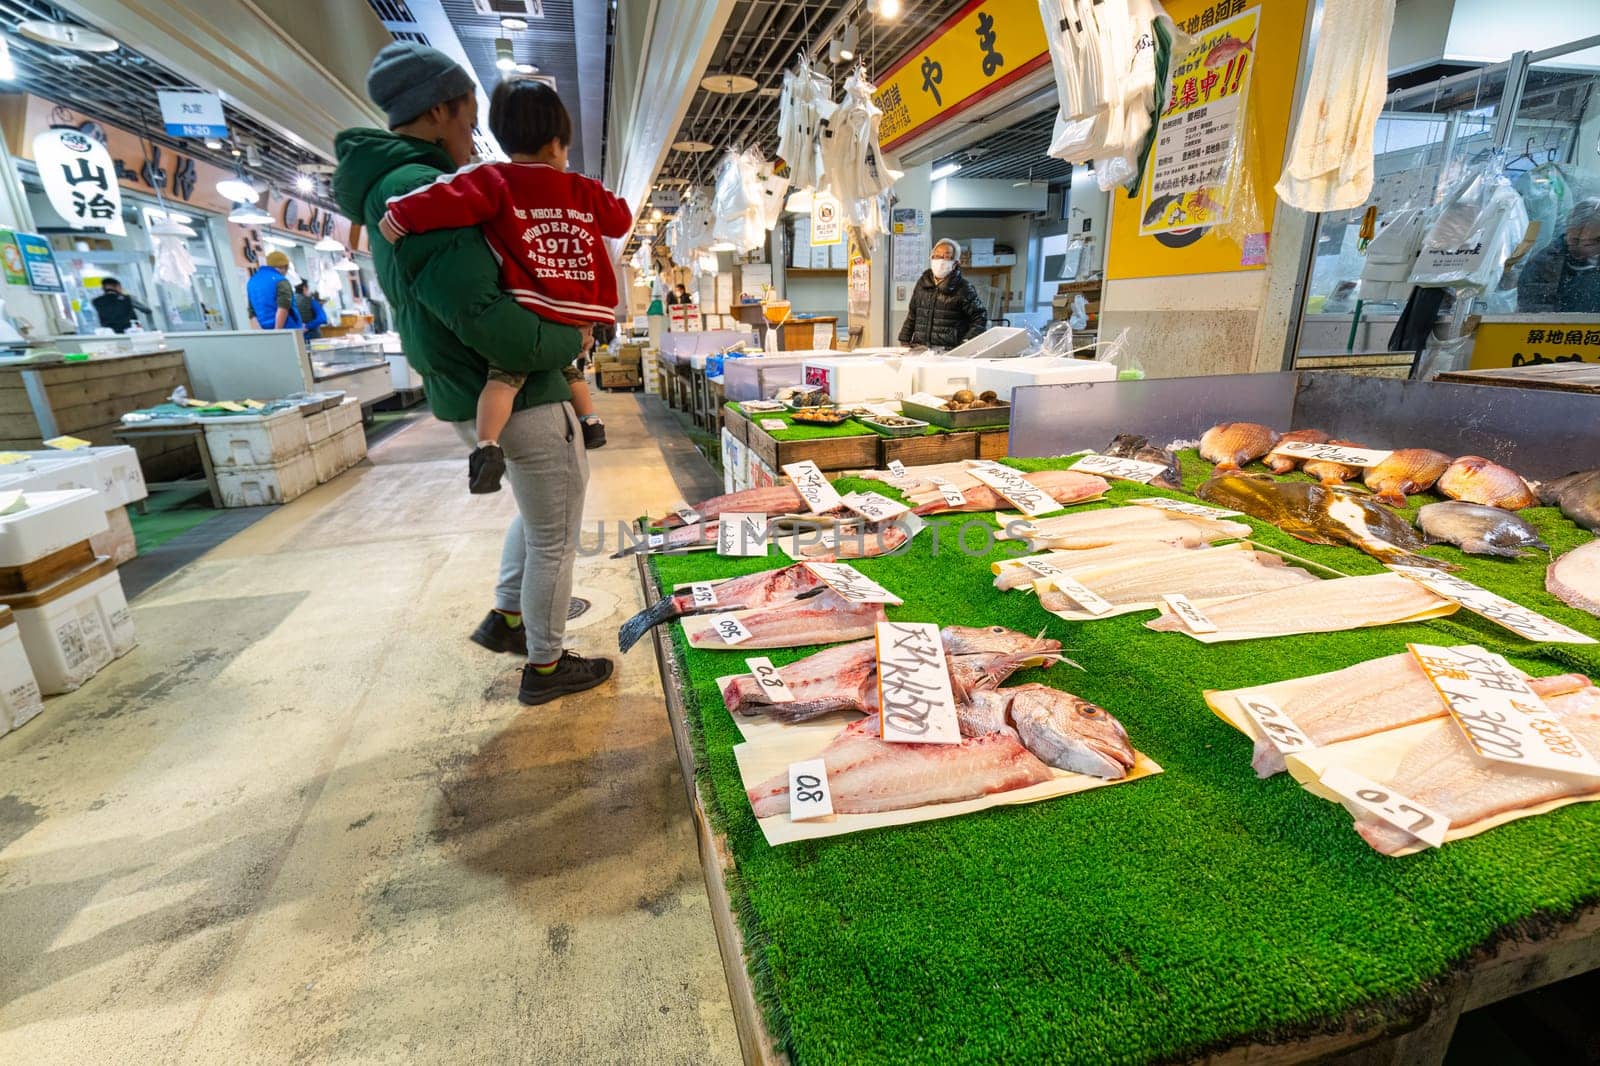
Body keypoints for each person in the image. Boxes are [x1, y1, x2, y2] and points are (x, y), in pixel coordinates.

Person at [334, 40, 612, 705]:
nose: (472, 135)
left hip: (474, 392)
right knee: (558, 533)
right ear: (438, 111)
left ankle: (510, 615)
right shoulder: (417, 187)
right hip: (523, 390)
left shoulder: (404, 187)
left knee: (538, 517)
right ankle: (545, 667)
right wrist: (566, 340)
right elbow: (477, 308)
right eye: (465, 119)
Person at [380, 77, 629, 489]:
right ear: (557, 144)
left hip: (531, 303)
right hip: (583, 307)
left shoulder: (493, 180)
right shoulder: (582, 188)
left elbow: (440, 199)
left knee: (505, 378)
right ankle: (592, 422)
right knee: (571, 370)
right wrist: (595, 190)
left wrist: (397, 220)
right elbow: (620, 219)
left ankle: (487, 445)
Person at [898, 238, 988, 349]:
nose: (941, 260)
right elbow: (913, 314)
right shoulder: (922, 283)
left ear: (955, 263)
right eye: (937, 256)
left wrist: (966, 343)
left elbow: (980, 318)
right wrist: (904, 339)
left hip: (949, 351)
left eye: (946, 257)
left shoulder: (963, 288)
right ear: (931, 258)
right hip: (920, 349)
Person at [1517, 198, 1600, 314]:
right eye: (1575, 241)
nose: (1584, 248)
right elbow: (1534, 310)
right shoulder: (1545, 263)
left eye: (1595, 241)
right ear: (1567, 232)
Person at [247, 250, 302, 330]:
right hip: (286, 329)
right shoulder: (280, 280)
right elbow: (283, 307)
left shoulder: (252, 281)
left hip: (264, 331)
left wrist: (260, 332)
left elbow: (251, 312)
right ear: (284, 266)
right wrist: (277, 331)